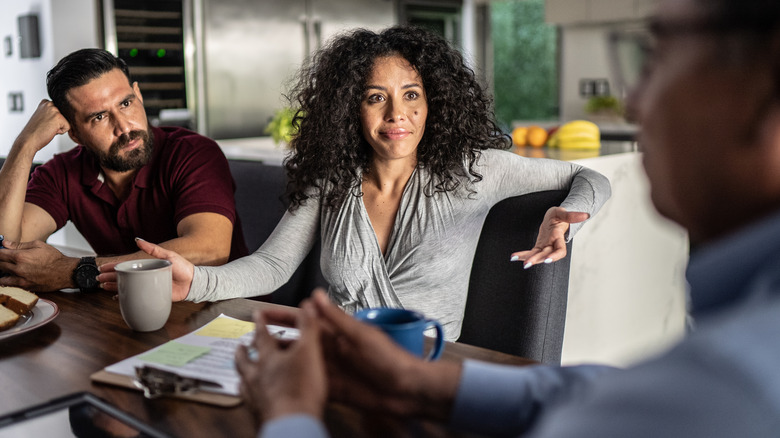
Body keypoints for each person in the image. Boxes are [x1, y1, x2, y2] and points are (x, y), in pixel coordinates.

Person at [234, 0, 780, 436]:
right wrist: (420, 384)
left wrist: (288, 411)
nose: (633, 99)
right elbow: (598, 389)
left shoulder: (726, 386)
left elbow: (590, 178)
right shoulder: (723, 352)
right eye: (376, 98)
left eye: (654, 55)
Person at [105, 26, 610, 341]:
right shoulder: (334, 181)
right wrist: (196, 282)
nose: (398, 115)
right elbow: (273, 264)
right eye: (375, 98)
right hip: (334, 357)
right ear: (351, 107)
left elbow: (590, 176)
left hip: (427, 376)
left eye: (412, 94)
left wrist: (562, 216)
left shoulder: (475, 169)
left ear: (433, 101)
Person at [0, 49, 248, 293]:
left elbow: (210, 249)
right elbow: (6, 250)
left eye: (126, 103)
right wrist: (25, 144)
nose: (124, 127)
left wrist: (75, 271)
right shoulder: (62, 172)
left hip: (230, 315)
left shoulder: (193, 152)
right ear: (75, 133)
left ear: (138, 95)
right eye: (99, 117)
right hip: (129, 316)